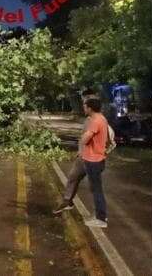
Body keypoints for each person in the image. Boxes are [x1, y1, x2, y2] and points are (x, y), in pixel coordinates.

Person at [54, 97, 109, 228]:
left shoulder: (96, 120)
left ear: (90, 108)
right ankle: (68, 202)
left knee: (96, 190)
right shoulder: (98, 119)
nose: (83, 108)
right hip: (87, 157)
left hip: (94, 160)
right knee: (74, 177)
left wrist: (82, 141)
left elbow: (85, 138)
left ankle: (101, 218)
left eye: (85, 106)